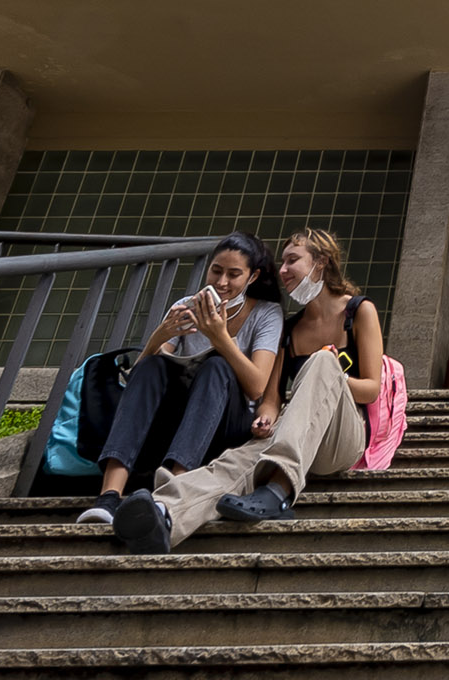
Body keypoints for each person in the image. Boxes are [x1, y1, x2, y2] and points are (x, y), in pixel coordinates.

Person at [111, 227, 384, 550]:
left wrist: (329, 372)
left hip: (341, 439)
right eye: (281, 262)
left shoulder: (358, 311)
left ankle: (280, 490)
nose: (282, 270)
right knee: (235, 462)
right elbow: (270, 400)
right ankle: (165, 513)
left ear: (321, 262)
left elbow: (371, 388)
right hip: (296, 437)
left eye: (292, 260)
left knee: (323, 363)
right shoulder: (291, 327)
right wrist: (266, 418)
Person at [74, 231, 280, 528]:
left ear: (253, 276)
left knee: (217, 367)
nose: (222, 282)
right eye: (216, 270)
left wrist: (220, 338)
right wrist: (161, 335)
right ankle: (108, 496)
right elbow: (138, 380)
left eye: (234, 274)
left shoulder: (266, 313)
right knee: (153, 365)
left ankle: (174, 493)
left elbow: (257, 386)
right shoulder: (187, 304)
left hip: (225, 425)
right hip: (175, 423)